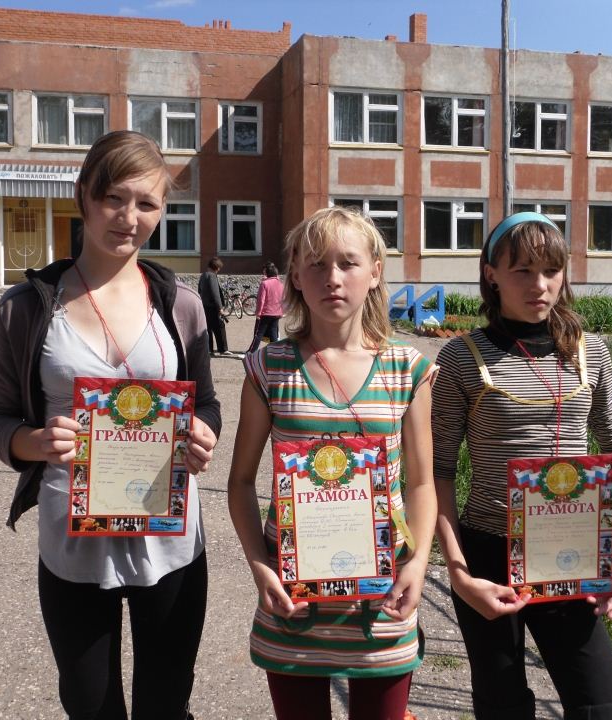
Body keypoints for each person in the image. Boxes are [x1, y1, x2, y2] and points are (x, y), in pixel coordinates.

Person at [0, 130, 221, 720]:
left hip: (168, 539)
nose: (129, 218)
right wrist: (30, 442)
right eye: (114, 198)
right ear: (84, 196)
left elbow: (207, 403)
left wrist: (203, 433)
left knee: (166, 703)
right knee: (90, 706)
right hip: (74, 542)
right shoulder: (27, 306)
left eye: (147, 203)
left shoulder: (180, 304)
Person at [227, 206, 438, 720]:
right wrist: (259, 567)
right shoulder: (269, 367)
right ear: (296, 276)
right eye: (317, 264)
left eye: (348, 262)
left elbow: (422, 483)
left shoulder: (406, 369)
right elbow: (240, 482)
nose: (333, 278)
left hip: (382, 602)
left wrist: (418, 563)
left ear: (375, 272)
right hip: (293, 601)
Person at [431, 212, 612, 720]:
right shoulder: (462, 358)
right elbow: (438, 472)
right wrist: (458, 572)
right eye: (522, 270)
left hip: (571, 550)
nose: (539, 285)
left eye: (551, 270)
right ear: (491, 274)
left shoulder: (590, 352)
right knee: (503, 706)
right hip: (487, 554)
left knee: (604, 708)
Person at [246, 261, 285, 353]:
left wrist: (258, 313)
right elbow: (283, 299)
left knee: (258, 334)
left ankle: (251, 352)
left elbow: (261, 300)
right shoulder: (281, 284)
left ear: (267, 273)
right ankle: (276, 352)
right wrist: (282, 311)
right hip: (277, 313)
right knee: (273, 334)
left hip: (266, 313)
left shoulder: (264, 283)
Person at [198, 256, 231, 356]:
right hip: (213, 306)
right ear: (216, 268)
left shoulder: (203, 275)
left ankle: (209, 349)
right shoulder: (212, 276)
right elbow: (215, 293)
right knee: (220, 327)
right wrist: (220, 308)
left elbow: (199, 290)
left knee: (208, 328)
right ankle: (223, 349)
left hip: (205, 305)